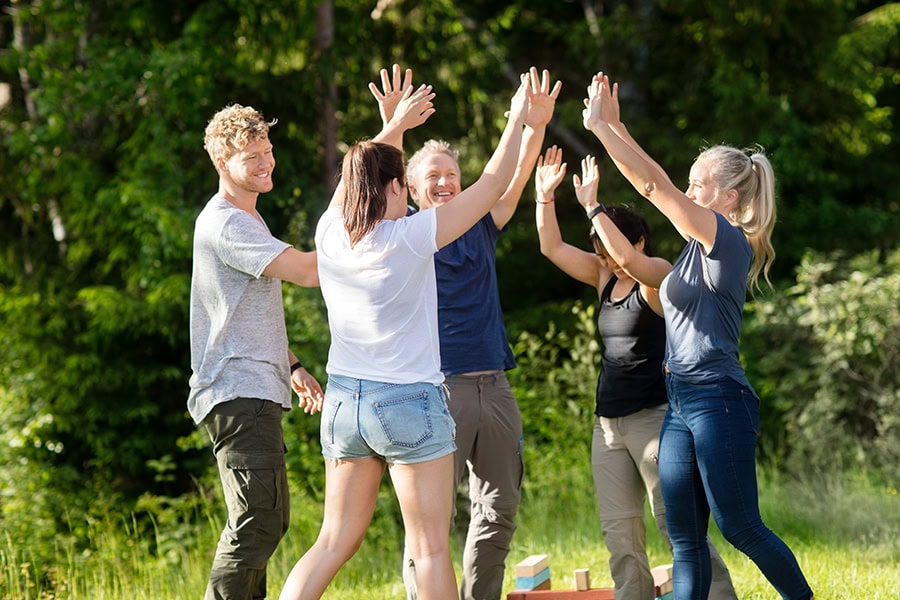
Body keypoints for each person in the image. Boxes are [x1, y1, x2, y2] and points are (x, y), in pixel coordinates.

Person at [277, 66, 536, 600]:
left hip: (344, 403)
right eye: (401, 185)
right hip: (406, 402)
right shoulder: (411, 237)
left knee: (332, 541)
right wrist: (517, 120)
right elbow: (492, 185)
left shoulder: (330, 230)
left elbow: (362, 175)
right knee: (431, 547)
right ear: (398, 188)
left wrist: (393, 125)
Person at [582, 72, 814, 600]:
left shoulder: (724, 239)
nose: (687, 193)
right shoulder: (692, 250)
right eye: (688, 183)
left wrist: (603, 127)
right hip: (681, 401)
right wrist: (611, 128)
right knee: (685, 538)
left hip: (717, 399)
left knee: (740, 527)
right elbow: (649, 207)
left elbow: (653, 186)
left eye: (698, 185)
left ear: (728, 198)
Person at [533, 148, 738, 600]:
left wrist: (594, 205)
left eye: (607, 248)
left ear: (638, 241)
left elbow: (626, 258)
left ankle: (720, 595)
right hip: (607, 426)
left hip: (655, 420)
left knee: (675, 523)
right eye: (598, 250)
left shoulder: (658, 277)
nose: (604, 257)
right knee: (620, 534)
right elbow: (550, 247)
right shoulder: (603, 278)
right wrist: (544, 198)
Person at [400, 69, 561, 600]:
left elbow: (511, 178)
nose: (444, 182)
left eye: (451, 173)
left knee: (499, 508)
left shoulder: (480, 225)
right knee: (430, 520)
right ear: (412, 190)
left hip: (495, 385)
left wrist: (535, 126)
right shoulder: (407, 233)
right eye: (432, 176)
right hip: (438, 389)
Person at [189, 103, 326, 600]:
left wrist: (292, 365)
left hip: (253, 388)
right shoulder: (228, 223)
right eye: (252, 156)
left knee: (268, 519)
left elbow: (239, 312)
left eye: (267, 150)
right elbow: (308, 271)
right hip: (237, 393)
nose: (266, 162)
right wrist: (371, 239)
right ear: (222, 163)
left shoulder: (248, 218)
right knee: (257, 521)